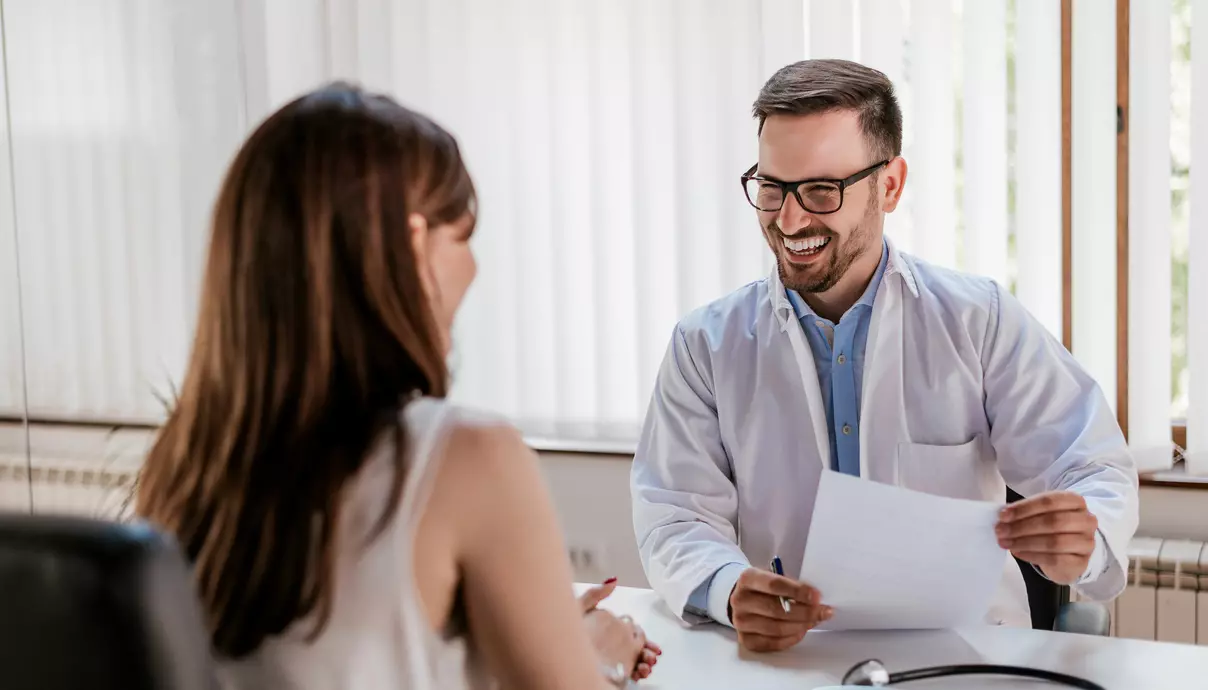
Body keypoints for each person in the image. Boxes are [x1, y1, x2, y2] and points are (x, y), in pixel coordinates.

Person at [135, 82, 659, 688]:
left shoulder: (183, 464)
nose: (474, 268)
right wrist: (598, 656)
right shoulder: (466, 456)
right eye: (463, 239)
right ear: (413, 246)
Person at [630, 59, 1139, 653]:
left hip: (965, 655)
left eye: (821, 190)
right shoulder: (705, 346)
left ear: (889, 185)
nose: (789, 220)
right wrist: (726, 588)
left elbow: (1092, 466)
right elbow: (673, 513)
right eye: (772, 188)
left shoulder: (979, 321)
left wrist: (1086, 534)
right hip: (794, 662)